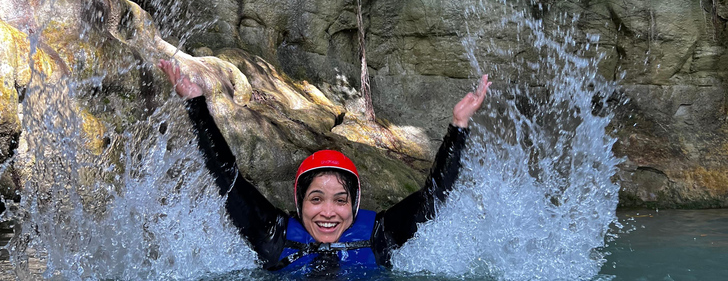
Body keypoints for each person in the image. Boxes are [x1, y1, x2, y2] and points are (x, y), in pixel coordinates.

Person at [158, 59, 490, 274]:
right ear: (299, 202)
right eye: (316, 199)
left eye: (340, 200)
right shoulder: (272, 236)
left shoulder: (379, 237)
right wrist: (196, 105)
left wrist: (458, 126)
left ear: (355, 204)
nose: (327, 212)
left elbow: (433, 196)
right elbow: (226, 176)